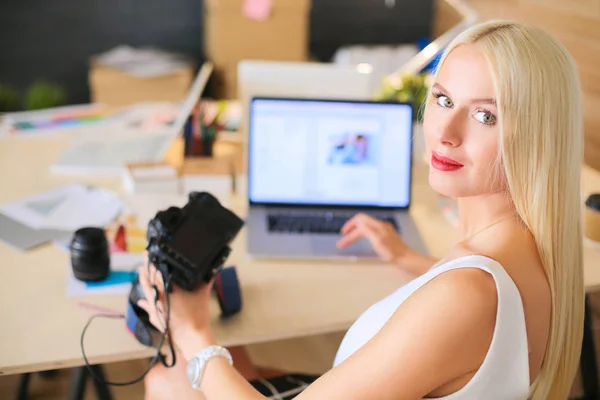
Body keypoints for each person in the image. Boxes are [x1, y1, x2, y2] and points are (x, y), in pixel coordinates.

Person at [137, 19, 584, 400]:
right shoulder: (529, 246)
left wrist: (193, 332)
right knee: (241, 360)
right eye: (444, 99)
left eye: (486, 116)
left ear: (537, 136)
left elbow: (463, 307)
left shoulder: (466, 296)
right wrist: (411, 261)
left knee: (166, 378)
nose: (444, 131)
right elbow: (472, 313)